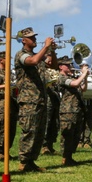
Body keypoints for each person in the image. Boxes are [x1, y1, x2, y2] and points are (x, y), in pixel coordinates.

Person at [14, 29, 54, 171]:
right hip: (28, 99)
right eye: (31, 38)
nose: (34, 40)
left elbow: (52, 65)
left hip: (40, 99)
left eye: (34, 37)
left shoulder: (38, 55)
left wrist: (52, 51)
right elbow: (33, 61)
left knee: (39, 131)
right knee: (29, 130)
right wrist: (46, 47)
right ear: (24, 40)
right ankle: (24, 162)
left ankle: (31, 161)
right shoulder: (21, 55)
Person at [57, 55, 89, 166]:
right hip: (68, 110)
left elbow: (83, 88)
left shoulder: (71, 77)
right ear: (61, 66)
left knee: (76, 134)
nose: (70, 66)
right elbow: (75, 84)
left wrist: (84, 77)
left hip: (77, 109)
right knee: (67, 134)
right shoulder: (61, 77)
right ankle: (65, 157)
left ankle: (69, 156)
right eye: (67, 65)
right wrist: (83, 73)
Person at [0, 54, 18, 161]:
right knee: (2, 129)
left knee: (12, 130)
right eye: (7, 59)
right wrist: (5, 86)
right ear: (1, 60)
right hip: (2, 105)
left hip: (13, 104)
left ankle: (7, 150)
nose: (9, 61)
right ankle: (0, 151)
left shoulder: (11, 74)